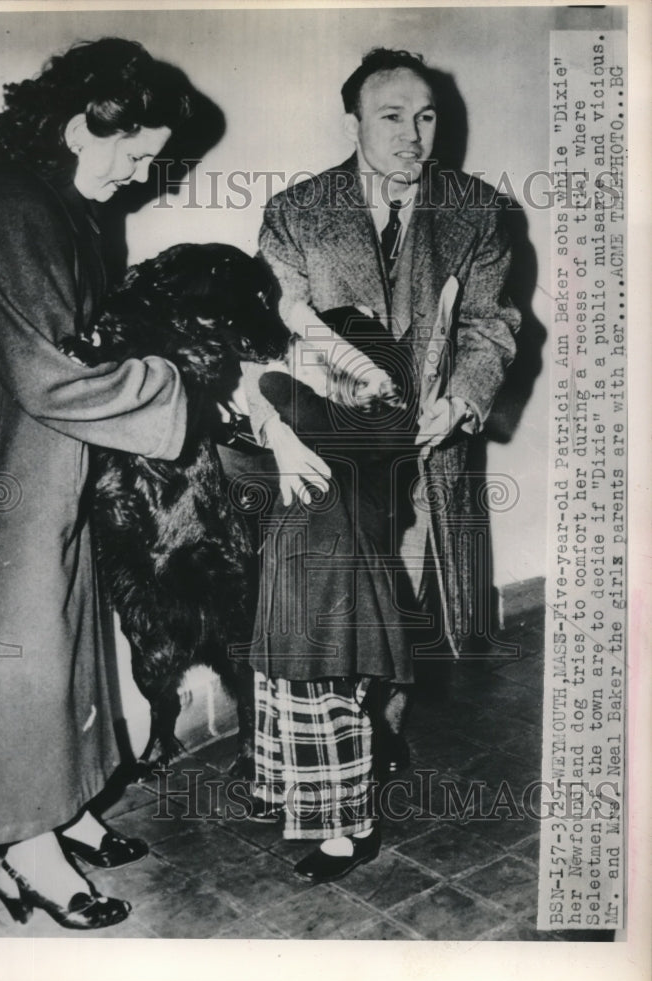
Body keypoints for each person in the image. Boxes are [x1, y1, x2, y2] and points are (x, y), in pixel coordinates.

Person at [0, 38, 195, 929]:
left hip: (33, 459)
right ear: (82, 126)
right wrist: (179, 380)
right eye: (136, 154)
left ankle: (60, 813)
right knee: (18, 658)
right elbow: (56, 376)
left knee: (65, 643)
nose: (143, 175)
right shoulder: (8, 211)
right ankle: (25, 852)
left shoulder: (45, 192)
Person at [243, 48, 520, 883]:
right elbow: (267, 335)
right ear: (355, 123)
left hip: (429, 446)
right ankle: (342, 780)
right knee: (338, 596)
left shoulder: (475, 211)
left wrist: (462, 400)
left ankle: (376, 746)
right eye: (393, 115)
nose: (413, 133)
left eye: (427, 115)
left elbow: (491, 325)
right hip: (335, 445)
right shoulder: (296, 212)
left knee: (404, 601)